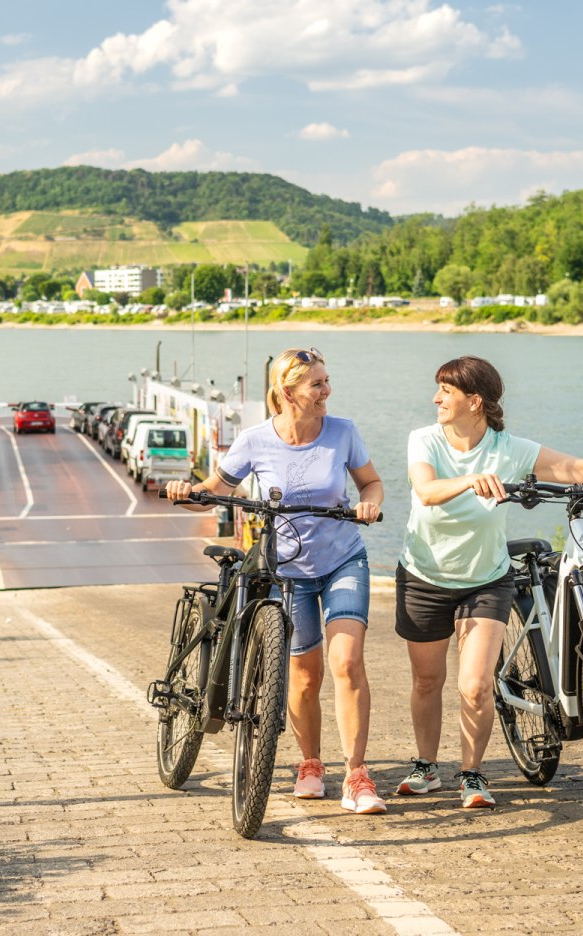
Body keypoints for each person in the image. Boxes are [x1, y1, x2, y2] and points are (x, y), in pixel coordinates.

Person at [395, 355, 583, 809]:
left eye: (446, 391)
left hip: (486, 579)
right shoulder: (424, 440)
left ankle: (471, 774)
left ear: (475, 401)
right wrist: (469, 481)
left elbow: (577, 469)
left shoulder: (510, 449)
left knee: (476, 685)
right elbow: (425, 491)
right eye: (438, 389)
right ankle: (426, 767)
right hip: (425, 575)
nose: (436, 398)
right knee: (427, 680)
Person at [165, 347, 388, 814]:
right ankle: (310, 763)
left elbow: (370, 482)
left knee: (346, 662)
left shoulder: (343, 432)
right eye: (317, 385)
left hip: (343, 559)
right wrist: (187, 492)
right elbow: (215, 491)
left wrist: (368, 502)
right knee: (304, 676)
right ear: (288, 393)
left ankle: (357, 775)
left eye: (327, 381)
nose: (327, 391)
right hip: (288, 572)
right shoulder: (254, 441)